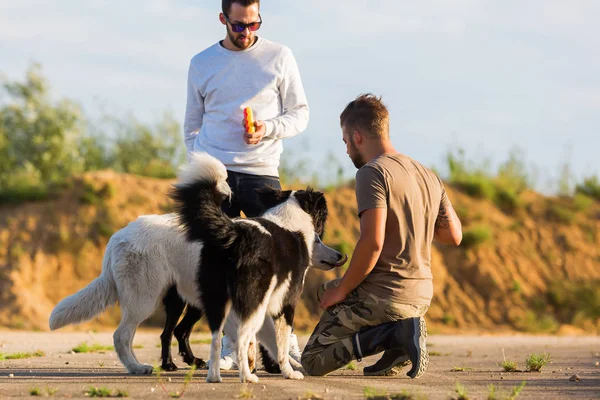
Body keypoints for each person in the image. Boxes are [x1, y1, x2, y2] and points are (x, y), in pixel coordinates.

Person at [182, 0, 309, 370]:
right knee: (219, 263)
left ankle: (285, 347)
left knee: (278, 263)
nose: (247, 32)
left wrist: (267, 129)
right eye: (239, 26)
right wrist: (203, 162)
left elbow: (300, 114)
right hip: (217, 177)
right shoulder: (201, 63)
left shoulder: (280, 56)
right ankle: (230, 347)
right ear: (223, 20)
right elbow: (191, 124)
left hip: (262, 172)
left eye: (254, 24)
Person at [300, 94, 462, 378]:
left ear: (357, 136)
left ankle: (393, 336)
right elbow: (453, 235)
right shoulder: (428, 174)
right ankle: (398, 342)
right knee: (330, 290)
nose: (347, 149)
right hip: (421, 296)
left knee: (312, 361)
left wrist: (342, 289)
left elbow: (372, 243)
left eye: (346, 141)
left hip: (385, 296)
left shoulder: (372, 172)